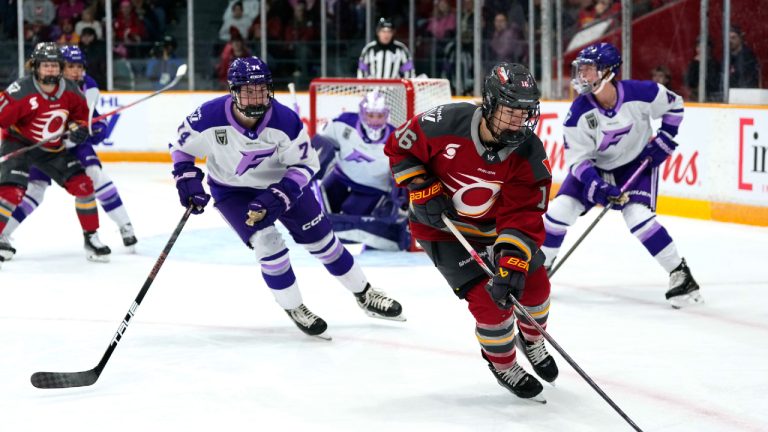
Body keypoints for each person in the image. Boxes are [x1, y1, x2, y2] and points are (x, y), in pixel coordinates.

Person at [168, 56, 405, 338]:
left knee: (324, 243)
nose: (256, 96)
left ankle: (365, 294)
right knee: (267, 244)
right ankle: (294, 307)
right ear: (233, 91)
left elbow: (306, 165)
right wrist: (187, 180)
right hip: (233, 192)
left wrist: (279, 195)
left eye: (261, 88)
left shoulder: (285, 121)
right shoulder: (207, 117)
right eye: (248, 90)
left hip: (283, 186)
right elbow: (181, 148)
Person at [385, 63, 557, 401]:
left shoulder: (529, 154)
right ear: (490, 104)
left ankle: (532, 339)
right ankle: (503, 364)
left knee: (535, 286)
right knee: (489, 304)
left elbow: (523, 213)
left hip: (495, 229)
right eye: (510, 111)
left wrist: (511, 262)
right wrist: (422, 188)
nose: (518, 121)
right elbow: (400, 148)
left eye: (525, 113)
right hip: (442, 230)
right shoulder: (444, 123)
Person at [542, 42, 703, 308]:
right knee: (559, 210)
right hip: (595, 169)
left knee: (638, 218)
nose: (582, 76)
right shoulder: (578, 113)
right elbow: (579, 162)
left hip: (635, 164)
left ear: (607, 72)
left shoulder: (642, 93)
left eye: (589, 70)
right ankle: (541, 268)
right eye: (580, 70)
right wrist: (598, 185)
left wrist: (665, 138)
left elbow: (675, 106)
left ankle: (681, 274)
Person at [0, 45, 137, 261]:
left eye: (55, 66)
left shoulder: (76, 89)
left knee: (87, 182)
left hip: (55, 148)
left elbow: (83, 118)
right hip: (23, 144)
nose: (52, 70)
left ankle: (97, 236)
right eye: (46, 66)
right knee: (16, 191)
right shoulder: (22, 90)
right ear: (35, 67)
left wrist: (82, 129)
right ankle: (2, 234)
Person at [312, 90, 409, 251]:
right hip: (341, 177)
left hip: (372, 189)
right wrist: (311, 164)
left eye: (379, 116)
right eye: (371, 115)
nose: (375, 121)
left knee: (349, 218)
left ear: (387, 115)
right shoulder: (343, 122)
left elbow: (401, 173)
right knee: (320, 203)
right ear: (363, 113)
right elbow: (321, 141)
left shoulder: (396, 139)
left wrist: (397, 198)